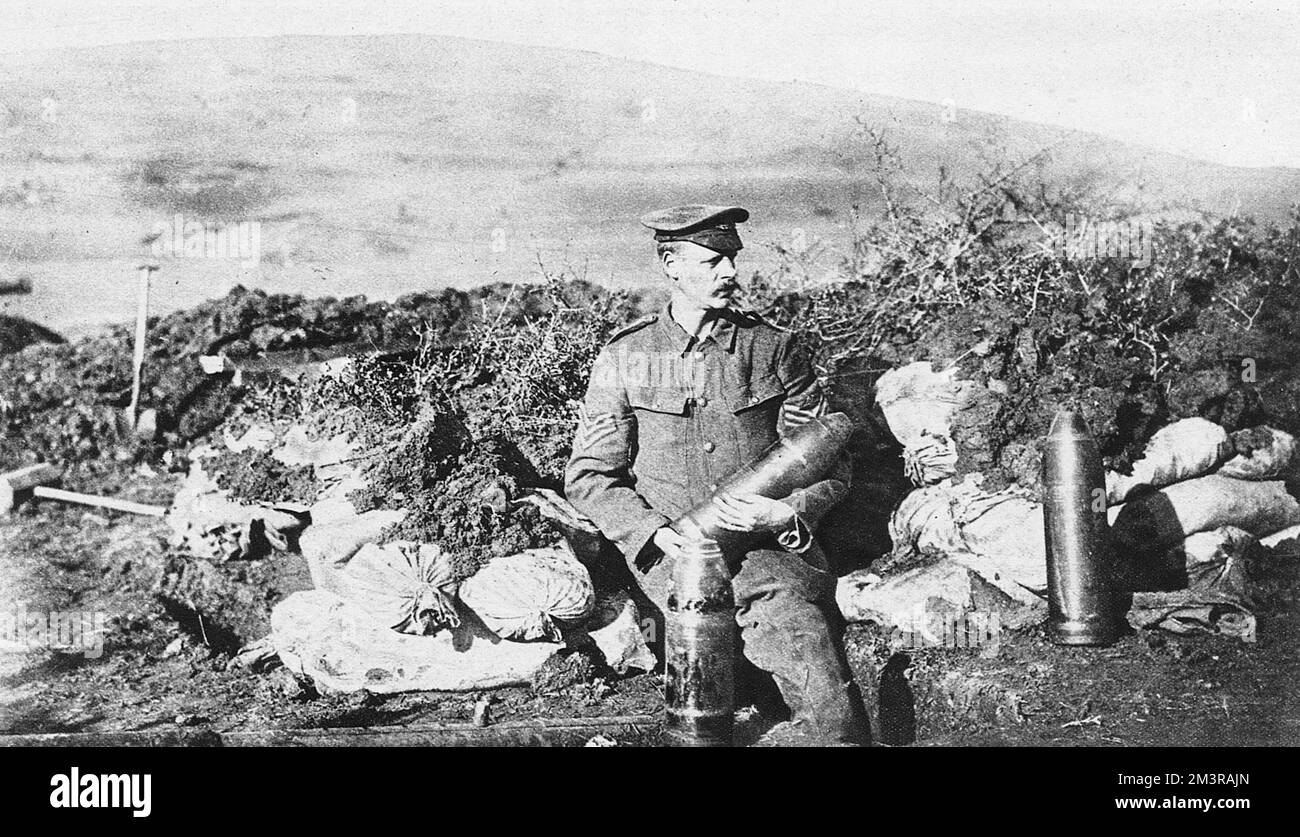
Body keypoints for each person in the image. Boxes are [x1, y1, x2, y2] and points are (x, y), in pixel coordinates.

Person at [564, 204, 869, 745]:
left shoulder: (775, 348)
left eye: (732, 258)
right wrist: (650, 534)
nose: (729, 272)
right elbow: (591, 476)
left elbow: (830, 464)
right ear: (671, 264)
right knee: (698, 711)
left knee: (831, 720)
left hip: (765, 555)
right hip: (672, 557)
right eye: (713, 261)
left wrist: (789, 511)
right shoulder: (626, 356)